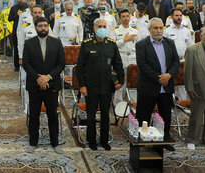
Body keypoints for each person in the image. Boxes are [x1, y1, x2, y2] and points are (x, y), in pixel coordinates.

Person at [76, 17, 124, 150]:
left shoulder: (111, 44)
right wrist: (82, 85)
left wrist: (120, 80)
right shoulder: (87, 44)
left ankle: (104, 140)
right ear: (94, 28)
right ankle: (91, 140)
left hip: (106, 85)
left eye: (104, 26)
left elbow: (118, 64)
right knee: (91, 114)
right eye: (100, 27)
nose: (102, 29)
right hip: (90, 85)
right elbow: (80, 67)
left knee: (105, 114)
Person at [22, 16, 65, 154]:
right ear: (35, 27)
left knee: (52, 115)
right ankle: (32, 142)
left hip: (52, 85)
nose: (43, 28)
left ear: (48, 27)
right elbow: (26, 64)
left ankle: (55, 142)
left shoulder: (56, 43)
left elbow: (61, 64)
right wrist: (39, 79)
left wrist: (48, 77)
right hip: (34, 85)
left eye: (45, 26)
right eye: (40, 26)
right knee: (34, 115)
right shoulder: (28, 43)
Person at [135, 18, 179, 151]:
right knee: (144, 115)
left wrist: (169, 75)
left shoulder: (170, 43)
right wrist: (159, 78)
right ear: (149, 30)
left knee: (165, 115)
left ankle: (164, 140)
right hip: (149, 86)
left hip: (166, 86)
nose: (159, 30)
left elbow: (175, 62)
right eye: (155, 28)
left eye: (161, 28)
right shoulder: (141, 45)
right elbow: (142, 65)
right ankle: (142, 140)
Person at [112, 9, 142, 104]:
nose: (126, 18)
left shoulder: (135, 31)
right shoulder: (115, 31)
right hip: (121, 59)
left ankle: (134, 105)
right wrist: (124, 40)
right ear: (120, 19)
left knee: (133, 84)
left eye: (127, 16)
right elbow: (112, 46)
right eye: (123, 17)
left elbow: (140, 46)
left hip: (133, 59)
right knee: (120, 84)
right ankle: (118, 106)